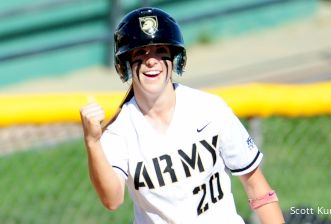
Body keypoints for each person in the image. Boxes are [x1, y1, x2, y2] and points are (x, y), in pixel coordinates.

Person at [80, 7, 285, 224]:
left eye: (160, 51)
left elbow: (257, 188)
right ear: (126, 64)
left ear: (175, 58)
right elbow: (112, 200)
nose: (151, 61)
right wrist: (93, 142)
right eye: (140, 53)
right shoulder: (120, 132)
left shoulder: (208, 108)